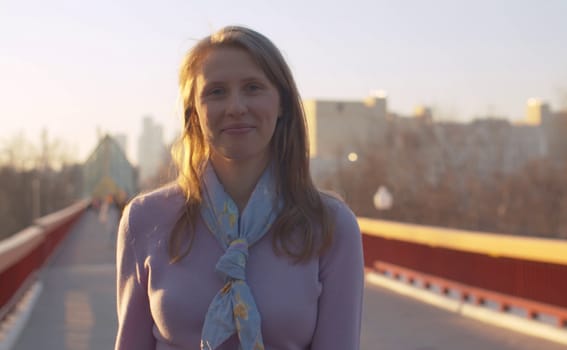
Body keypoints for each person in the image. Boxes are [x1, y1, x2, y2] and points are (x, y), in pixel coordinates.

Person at [115, 25, 364, 350]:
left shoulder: (330, 225)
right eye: (216, 92)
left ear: (283, 104)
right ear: (194, 113)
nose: (235, 106)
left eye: (253, 87)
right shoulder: (145, 219)